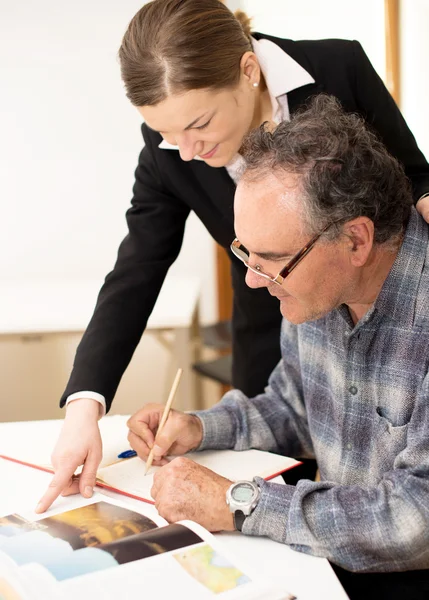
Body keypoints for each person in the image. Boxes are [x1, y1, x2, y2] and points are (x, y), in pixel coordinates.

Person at [36, 0, 429, 513]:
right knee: (276, 477)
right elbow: (136, 270)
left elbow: (412, 174)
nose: (187, 150)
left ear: (249, 71)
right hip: (282, 332)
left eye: (197, 124)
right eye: (166, 134)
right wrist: (84, 410)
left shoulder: (337, 70)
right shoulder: (173, 150)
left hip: (376, 308)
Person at [125, 96, 429, 584]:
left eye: (269, 258)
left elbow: (416, 522)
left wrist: (237, 503)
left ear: (356, 240)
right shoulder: (315, 288)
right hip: (330, 565)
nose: (253, 281)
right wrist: (199, 428)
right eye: (247, 253)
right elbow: (294, 407)